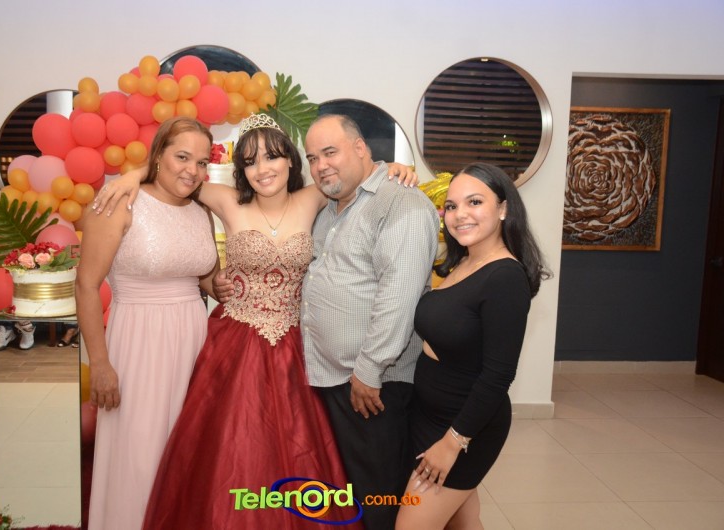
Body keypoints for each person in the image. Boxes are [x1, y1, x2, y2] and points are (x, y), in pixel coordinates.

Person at [95, 114, 418, 528]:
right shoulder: (226, 200)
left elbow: (354, 175)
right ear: (241, 170)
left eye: (272, 156)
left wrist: (393, 169)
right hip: (235, 344)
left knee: (297, 445)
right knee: (230, 446)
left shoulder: (314, 197)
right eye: (250, 161)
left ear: (291, 161)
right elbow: (176, 174)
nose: (262, 168)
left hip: (296, 346)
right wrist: (131, 175)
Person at [292, 114, 440, 530]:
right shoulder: (330, 207)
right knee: (349, 491)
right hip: (333, 377)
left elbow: (399, 296)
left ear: (361, 149)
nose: (320, 165)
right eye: (312, 158)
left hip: (372, 384)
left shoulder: (400, 203)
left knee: (378, 494)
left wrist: (369, 370)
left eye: (330, 152)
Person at [76, 116, 219, 530]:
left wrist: (226, 284)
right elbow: (86, 286)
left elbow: (202, 276)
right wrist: (100, 363)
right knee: (138, 452)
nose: (192, 170)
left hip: (192, 341)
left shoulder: (201, 212)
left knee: (185, 448)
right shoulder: (120, 203)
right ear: (158, 156)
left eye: (201, 162)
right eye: (182, 157)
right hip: (139, 342)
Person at [395, 162, 551, 530]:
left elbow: (498, 375)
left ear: (503, 208)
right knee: (462, 523)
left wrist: (452, 443)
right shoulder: (463, 262)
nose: (460, 214)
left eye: (475, 202)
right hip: (429, 416)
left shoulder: (505, 277)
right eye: (451, 206)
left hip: (464, 427)